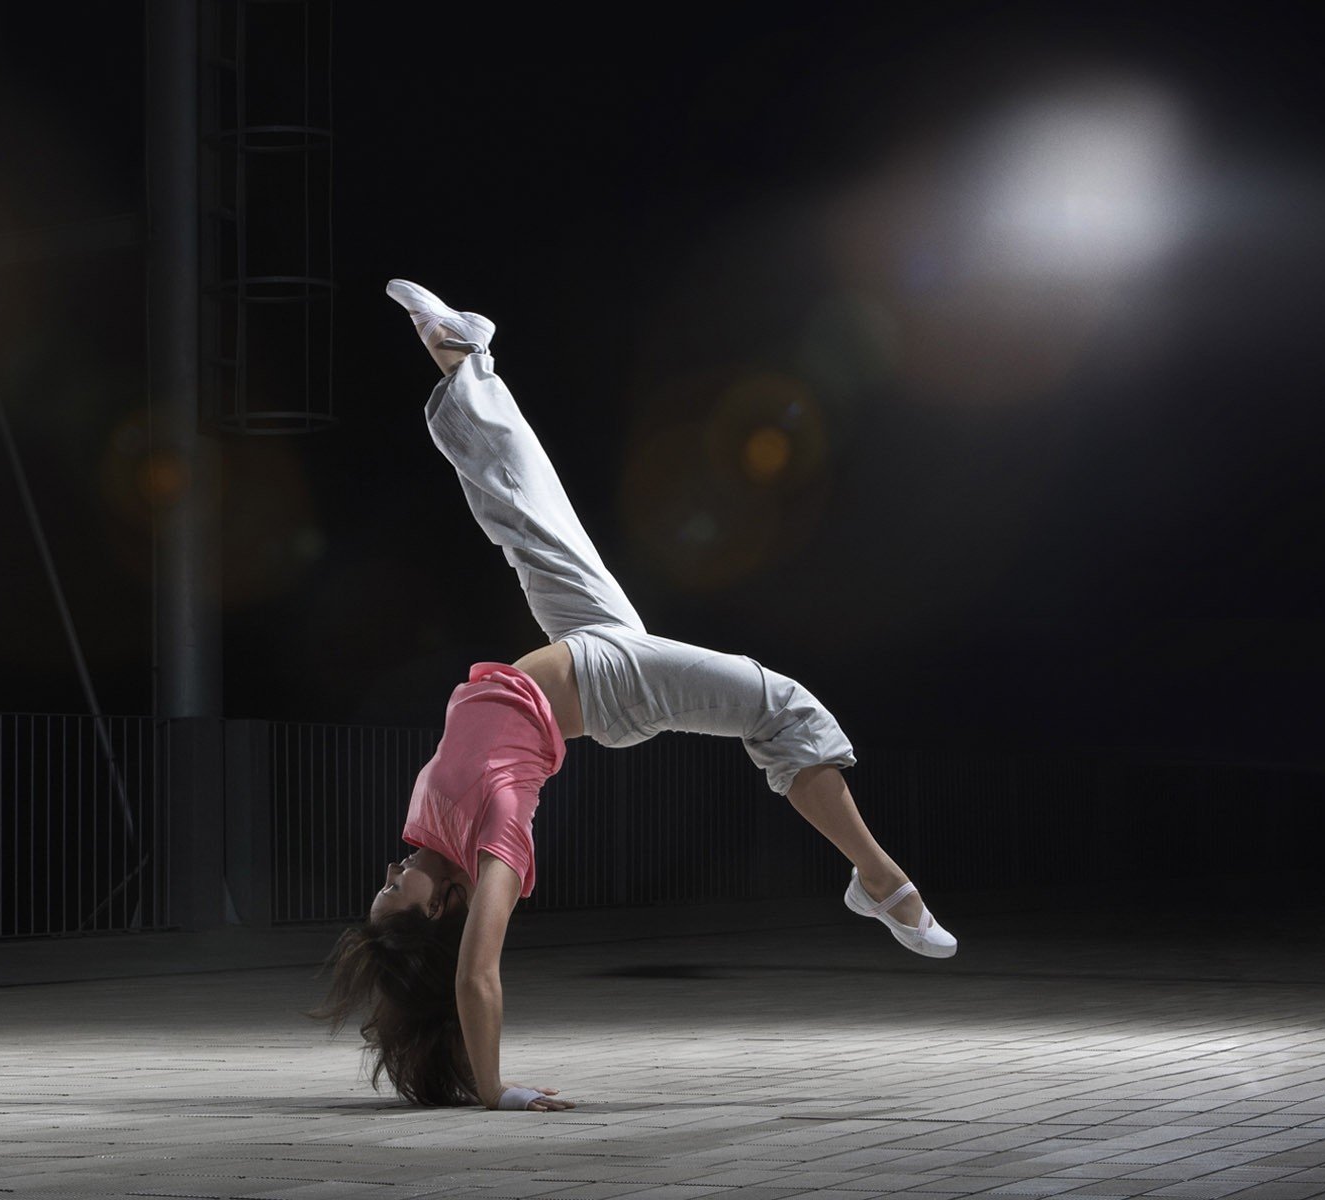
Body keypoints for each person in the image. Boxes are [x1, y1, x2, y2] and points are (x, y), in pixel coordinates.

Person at [308, 280, 955, 1114]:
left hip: (584, 651)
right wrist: (497, 1089)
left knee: (523, 514)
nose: (391, 869)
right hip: (611, 687)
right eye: (393, 889)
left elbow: (443, 944)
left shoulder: (425, 829)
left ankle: (466, 363)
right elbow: (476, 975)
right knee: (784, 706)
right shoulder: (494, 835)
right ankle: (880, 880)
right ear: (443, 907)